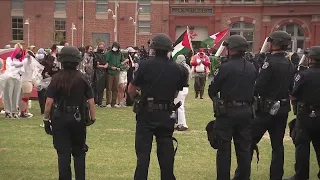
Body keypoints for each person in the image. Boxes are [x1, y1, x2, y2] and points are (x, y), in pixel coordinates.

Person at [233, 31, 295, 180]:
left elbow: (258, 86)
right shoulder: (290, 64)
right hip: (282, 109)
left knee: (249, 142)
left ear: (275, 44)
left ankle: (241, 176)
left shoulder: (270, 63)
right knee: (277, 145)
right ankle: (276, 176)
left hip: (265, 110)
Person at [128, 33, 188, 180]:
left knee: (143, 155)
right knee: (166, 153)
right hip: (166, 113)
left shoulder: (145, 65)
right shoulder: (179, 69)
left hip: (146, 113)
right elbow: (175, 93)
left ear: (153, 48)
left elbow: (131, 89)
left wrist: (138, 98)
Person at [43, 46, 96, 180]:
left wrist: (46, 120)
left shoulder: (56, 78)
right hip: (78, 118)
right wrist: (92, 118)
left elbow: (49, 102)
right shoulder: (82, 78)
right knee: (79, 152)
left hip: (59, 118)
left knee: (63, 154)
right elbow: (91, 101)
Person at [208, 35, 256, 180]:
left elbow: (212, 89)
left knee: (224, 149)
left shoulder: (225, 67)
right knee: (244, 150)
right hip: (246, 112)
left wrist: (217, 100)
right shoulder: (252, 67)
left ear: (231, 49)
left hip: (227, 112)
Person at [283, 46, 320, 180]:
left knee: (302, 146)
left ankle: (301, 175)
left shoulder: (303, 74)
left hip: (306, 114)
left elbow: (294, 94)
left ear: (311, 59)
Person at [3, 45, 25, 118]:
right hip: (9, 78)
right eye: (19, 52)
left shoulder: (21, 60)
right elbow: (9, 68)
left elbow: (22, 70)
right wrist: (17, 67)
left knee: (16, 95)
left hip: (18, 79)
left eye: (21, 52)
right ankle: (8, 111)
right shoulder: (9, 59)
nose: (20, 53)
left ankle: (14, 111)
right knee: (8, 94)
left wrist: (16, 67)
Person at [104, 41, 124, 108]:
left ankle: (114, 102)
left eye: (117, 47)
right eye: (115, 47)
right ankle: (108, 103)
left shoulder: (120, 54)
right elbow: (105, 62)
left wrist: (119, 67)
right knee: (109, 88)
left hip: (117, 73)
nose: (115, 48)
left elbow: (122, 62)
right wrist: (111, 67)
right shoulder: (108, 53)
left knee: (115, 88)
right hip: (110, 72)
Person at [174, 54, 191, 131]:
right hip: (186, 88)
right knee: (180, 106)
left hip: (181, 88)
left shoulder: (180, 68)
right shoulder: (187, 66)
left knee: (179, 106)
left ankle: (182, 124)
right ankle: (177, 123)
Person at [94, 42, 108, 107]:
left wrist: (106, 65)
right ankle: (95, 102)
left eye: (102, 47)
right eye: (100, 47)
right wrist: (103, 66)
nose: (101, 48)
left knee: (101, 88)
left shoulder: (105, 54)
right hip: (97, 72)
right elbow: (96, 65)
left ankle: (100, 102)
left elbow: (107, 62)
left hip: (104, 73)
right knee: (96, 88)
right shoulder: (95, 54)